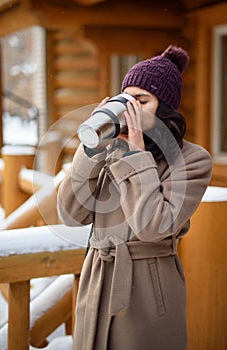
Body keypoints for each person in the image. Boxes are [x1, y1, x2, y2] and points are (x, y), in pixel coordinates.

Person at [57, 45, 212, 350]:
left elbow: (153, 226)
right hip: (97, 281)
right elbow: (70, 214)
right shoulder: (111, 150)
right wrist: (92, 150)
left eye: (142, 101)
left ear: (164, 109)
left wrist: (136, 156)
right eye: (126, 99)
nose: (131, 110)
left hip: (147, 291)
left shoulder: (193, 160)